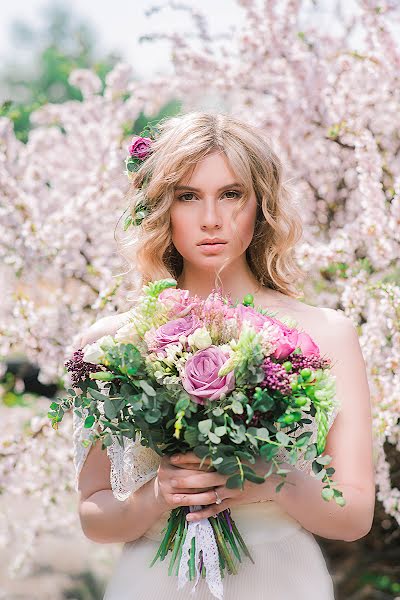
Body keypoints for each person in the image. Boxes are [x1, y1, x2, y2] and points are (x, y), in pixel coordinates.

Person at [72, 111, 376, 599]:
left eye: (231, 194)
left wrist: (268, 477)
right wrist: (155, 496)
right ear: (160, 208)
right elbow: (94, 515)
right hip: (152, 581)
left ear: (261, 205)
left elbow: (355, 516)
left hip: (282, 579)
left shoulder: (329, 333)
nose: (211, 218)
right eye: (188, 196)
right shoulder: (113, 343)